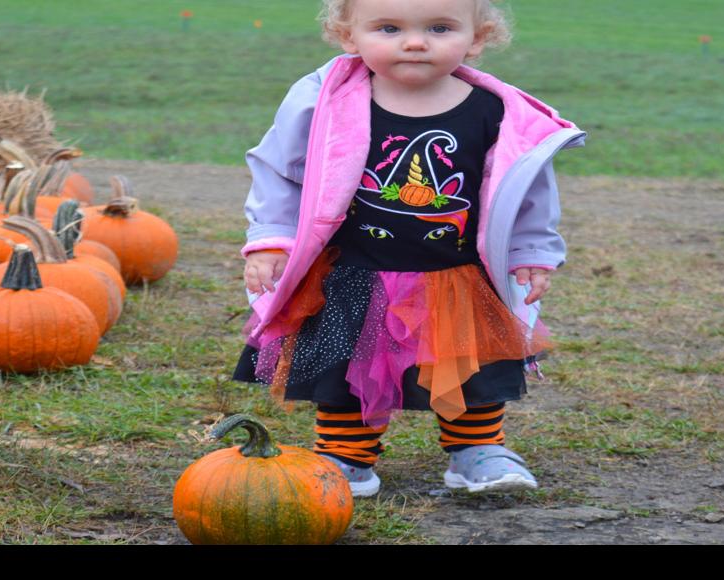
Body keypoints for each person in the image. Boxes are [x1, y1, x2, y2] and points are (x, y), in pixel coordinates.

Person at [233, 0, 585, 497]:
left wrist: (532, 251)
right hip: (353, 270)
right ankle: (345, 456)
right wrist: (271, 239)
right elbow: (280, 171)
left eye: (439, 27)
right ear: (348, 35)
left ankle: (477, 452)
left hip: (458, 273)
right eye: (389, 27)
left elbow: (522, 190)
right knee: (347, 371)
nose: (415, 41)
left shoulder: (498, 114)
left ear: (478, 37)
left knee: (468, 369)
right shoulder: (325, 104)